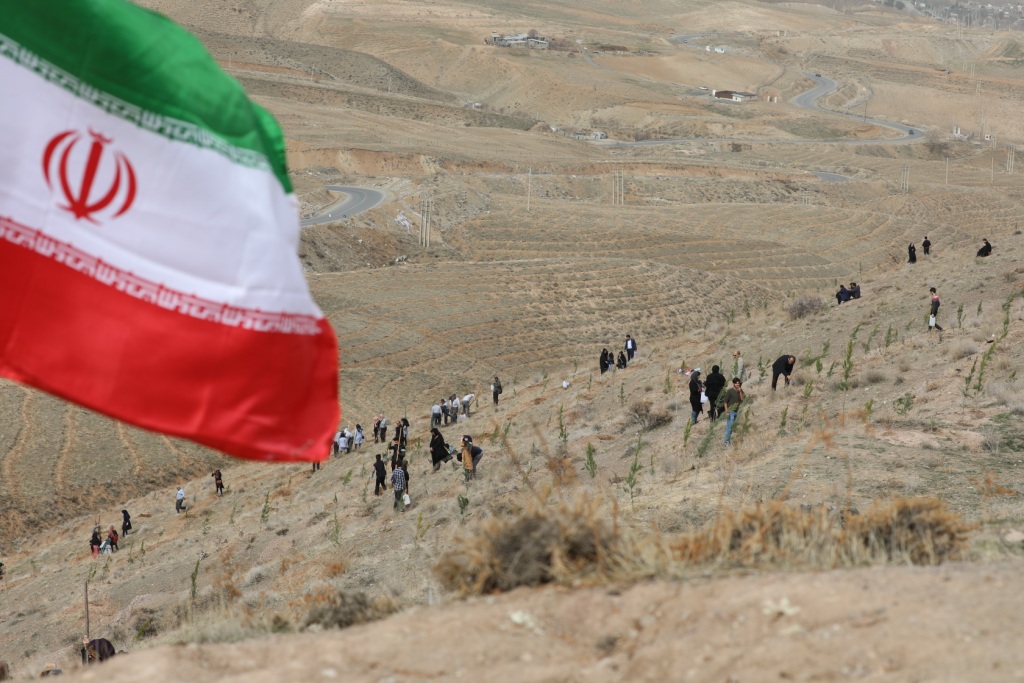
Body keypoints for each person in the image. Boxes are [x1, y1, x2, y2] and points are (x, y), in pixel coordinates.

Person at [722, 377, 745, 446]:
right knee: (730, 427)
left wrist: (740, 391)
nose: (738, 385)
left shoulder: (740, 390)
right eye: (737, 383)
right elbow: (725, 402)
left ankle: (728, 441)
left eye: (739, 383)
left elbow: (742, 399)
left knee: (733, 427)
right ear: (734, 384)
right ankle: (726, 442)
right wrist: (727, 411)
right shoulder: (730, 391)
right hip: (731, 411)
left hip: (737, 411)